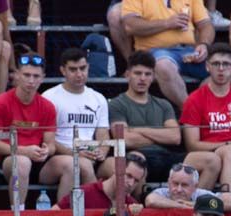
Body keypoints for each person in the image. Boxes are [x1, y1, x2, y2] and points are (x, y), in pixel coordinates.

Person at [179, 42, 231, 198]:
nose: (221, 69)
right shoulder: (195, 99)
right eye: (216, 64)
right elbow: (192, 145)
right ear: (208, 67)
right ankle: (229, 201)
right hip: (207, 154)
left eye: (226, 64)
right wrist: (229, 144)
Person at [0, 52, 58, 209]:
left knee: (70, 164)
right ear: (17, 75)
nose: (31, 81)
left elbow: (51, 144)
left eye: (36, 76)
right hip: (7, 160)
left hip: (37, 159)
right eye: (26, 75)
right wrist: (24, 151)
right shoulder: (1, 103)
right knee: (22, 163)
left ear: (43, 77)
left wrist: (47, 150)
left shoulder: (47, 106)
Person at [102, 51, 182, 183]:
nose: (143, 78)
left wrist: (138, 130)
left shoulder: (164, 104)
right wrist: (161, 137)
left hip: (166, 156)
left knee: (207, 160)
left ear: (153, 77)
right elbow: (125, 140)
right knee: (136, 161)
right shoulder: (116, 104)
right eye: (138, 73)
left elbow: (175, 137)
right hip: (136, 156)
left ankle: (194, 202)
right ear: (128, 75)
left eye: (148, 74)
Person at [42, 47, 111, 203]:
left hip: (90, 155)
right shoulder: (49, 97)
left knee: (119, 166)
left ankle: (126, 213)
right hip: (57, 158)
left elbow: (103, 134)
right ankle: (94, 214)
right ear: (62, 70)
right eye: (73, 69)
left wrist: (103, 151)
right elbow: (47, 140)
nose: (79, 74)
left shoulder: (98, 98)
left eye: (83, 68)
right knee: (80, 165)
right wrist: (75, 153)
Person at [121, 0, 216, 109]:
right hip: (155, 51)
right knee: (163, 66)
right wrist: (167, 23)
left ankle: (199, 106)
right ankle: (192, 112)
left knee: (230, 67)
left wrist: (204, 45)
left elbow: (206, 24)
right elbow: (130, 26)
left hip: (189, 50)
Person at [58, 150, 147, 212]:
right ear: (117, 168)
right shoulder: (84, 193)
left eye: (136, 181)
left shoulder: (132, 205)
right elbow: (54, 213)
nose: (131, 183)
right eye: (128, 175)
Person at [145, 161, 231, 211]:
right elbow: (151, 200)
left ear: (195, 186)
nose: (178, 189)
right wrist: (182, 206)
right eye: (175, 183)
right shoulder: (162, 192)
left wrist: (195, 205)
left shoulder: (200, 194)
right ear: (169, 182)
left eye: (184, 185)